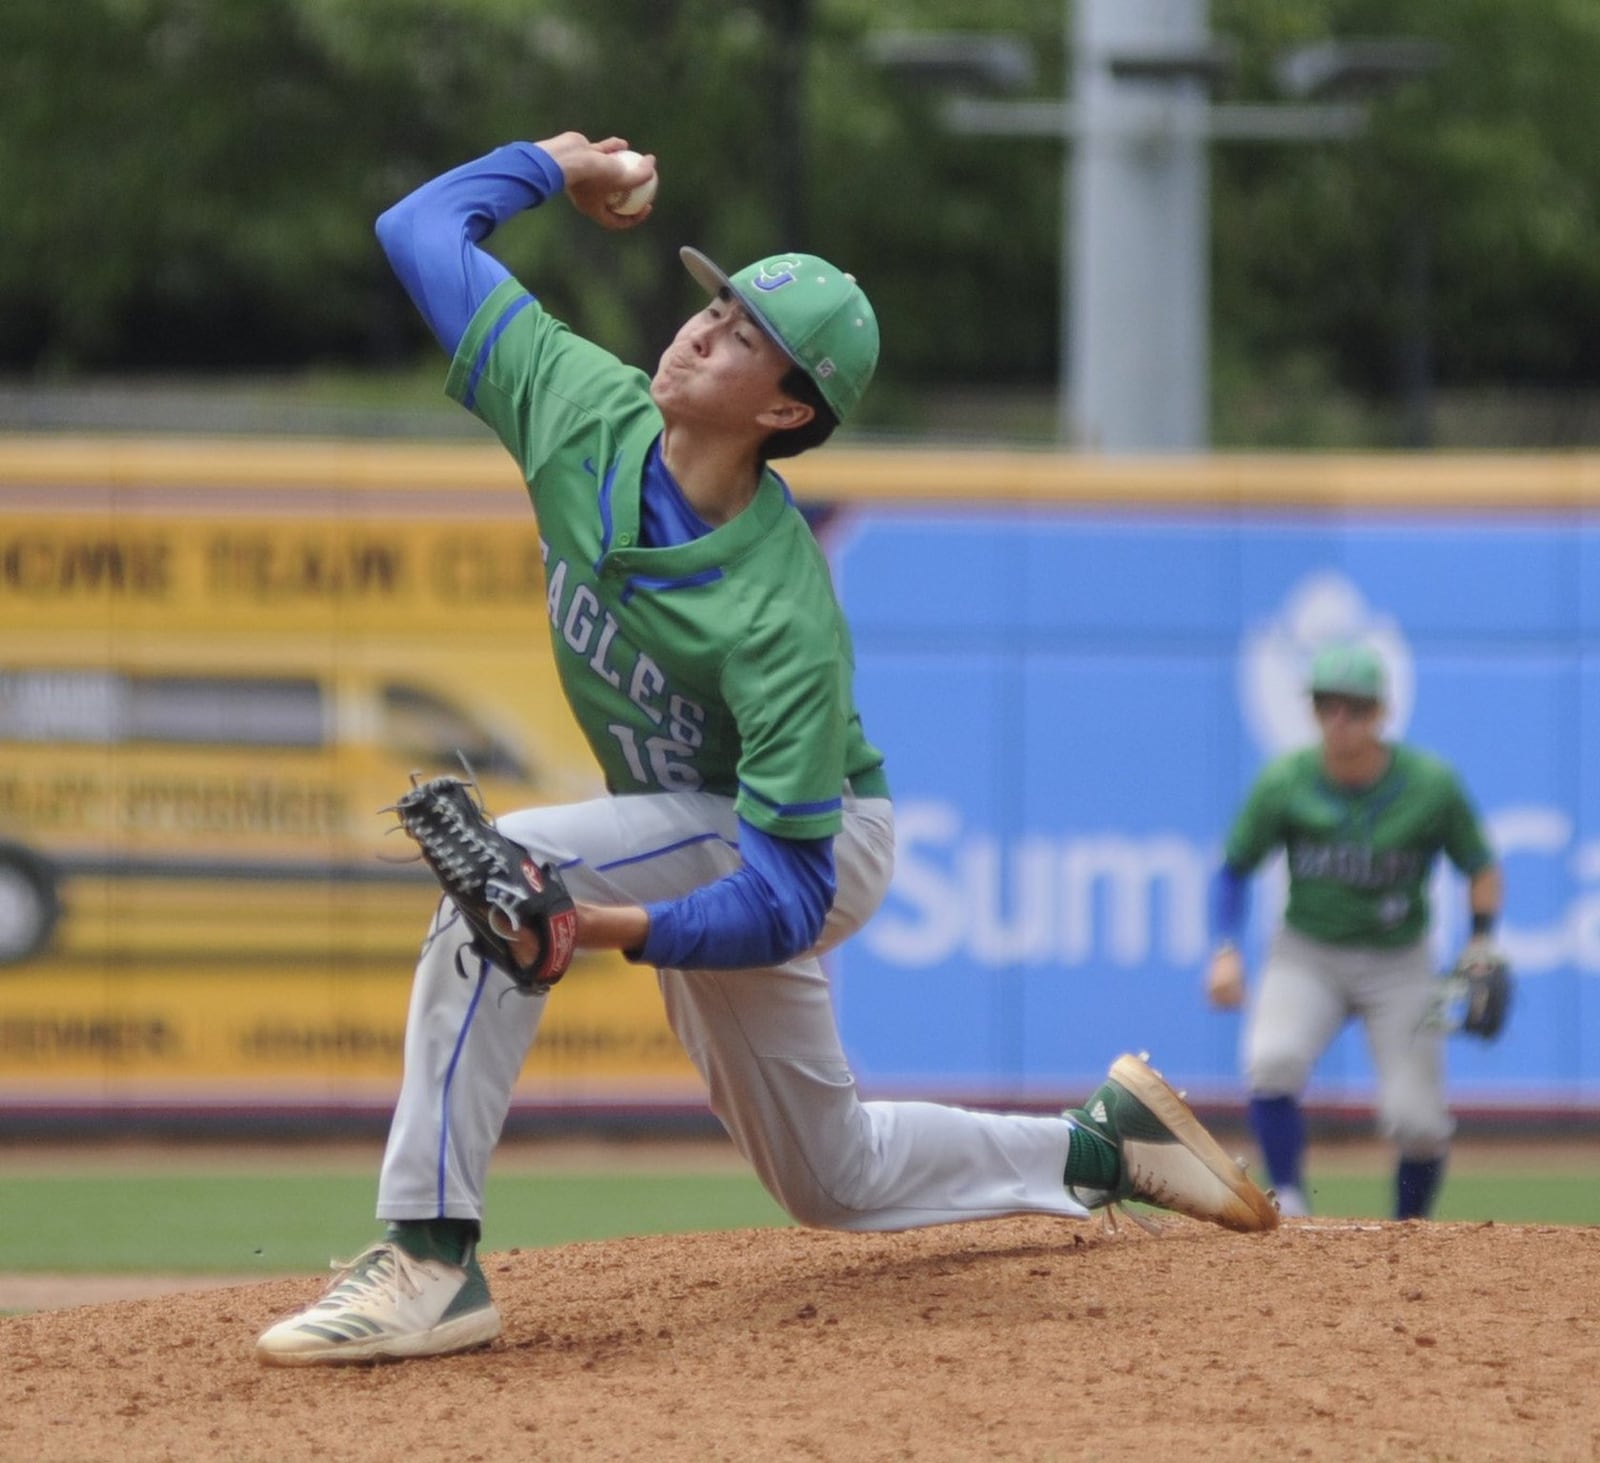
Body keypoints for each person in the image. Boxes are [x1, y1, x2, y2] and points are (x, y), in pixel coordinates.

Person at [256, 132, 1275, 1366]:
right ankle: (1103, 1143)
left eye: (744, 335)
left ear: (787, 410)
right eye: (718, 303)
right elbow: (418, 231)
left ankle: (429, 1253)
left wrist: (590, 925)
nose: (701, 330)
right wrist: (553, 160)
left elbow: (787, 892)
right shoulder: (576, 400)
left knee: (509, 866)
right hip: (693, 830)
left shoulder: (780, 613)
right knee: (827, 1178)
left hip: (813, 841)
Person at [1204, 642, 1504, 1221]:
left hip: (1404, 960)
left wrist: (1482, 939)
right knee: (1271, 1061)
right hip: (1307, 951)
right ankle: (1287, 1197)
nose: (1339, 721)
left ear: (1382, 713)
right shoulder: (1286, 780)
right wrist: (1225, 949)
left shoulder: (1431, 783)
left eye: (1355, 708)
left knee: (1420, 1120)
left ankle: (1406, 1233)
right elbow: (1233, 869)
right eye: (1326, 705)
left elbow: (1481, 867)